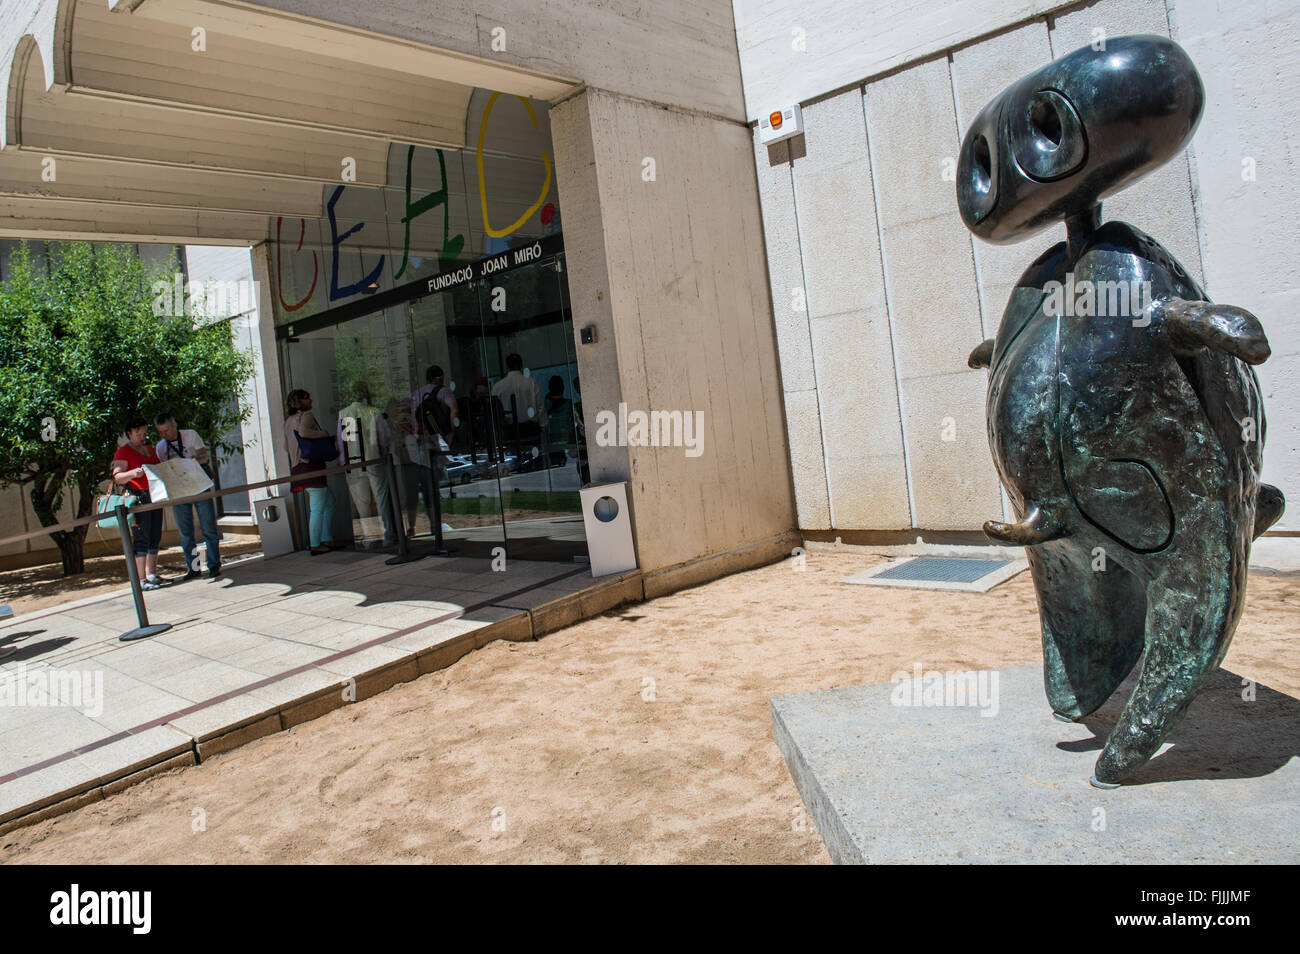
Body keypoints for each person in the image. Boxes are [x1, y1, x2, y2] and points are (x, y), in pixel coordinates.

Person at [154, 412, 221, 580]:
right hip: (179, 491)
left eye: (167, 430)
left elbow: (204, 456)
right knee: (185, 532)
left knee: (208, 527)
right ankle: (193, 567)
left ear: (174, 425)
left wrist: (189, 462)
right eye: (160, 432)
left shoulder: (190, 435)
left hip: (199, 486)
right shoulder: (161, 447)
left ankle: (213, 564)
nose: (164, 435)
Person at [110, 417, 168, 589]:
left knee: (154, 535)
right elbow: (117, 476)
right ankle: (140, 579)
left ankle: (152, 573)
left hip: (154, 495)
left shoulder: (149, 450)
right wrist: (133, 474)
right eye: (138, 433)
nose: (142, 436)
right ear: (129, 433)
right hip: (138, 496)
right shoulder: (124, 452)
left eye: (144, 433)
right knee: (141, 536)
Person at [337, 382, 396, 547]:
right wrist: (383, 454)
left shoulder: (343, 414)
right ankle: (388, 534)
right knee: (381, 499)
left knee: (362, 503)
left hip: (353, 463)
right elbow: (383, 438)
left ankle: (370, 539)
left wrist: (345, 462)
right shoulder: (373, 412)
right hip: (373, 459)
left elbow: (342, 443)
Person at [284, 389, 341, 555]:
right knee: (317, 507)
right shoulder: (306, 415)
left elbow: (285, 446)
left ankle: (326, 538)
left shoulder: (288, 421)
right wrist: (322, 434)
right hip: (310, 466)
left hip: (297, 468)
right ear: (301, 401)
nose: (311, 400)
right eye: (307, 398)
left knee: (328, 502)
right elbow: (303, 433)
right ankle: (316, 544)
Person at [406, 366, 458, 536]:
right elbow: (454, 411)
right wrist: (449, 435)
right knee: (435, 484)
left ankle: (433, 523)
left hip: (418, 443)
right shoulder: (444, 392)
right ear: (440, 377)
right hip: (435, 442)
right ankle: (437, 523)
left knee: (427, 485)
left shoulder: (415, 394)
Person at [492, 353, 544, 435]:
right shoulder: (532, 382)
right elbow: (540, 406)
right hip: (531, 430)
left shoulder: (498, 386)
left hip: (509, 431)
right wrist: (543, 425)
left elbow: (494, 411)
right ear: (521, 365)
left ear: (507, 367)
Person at [545, 375, 573, 467]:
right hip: (567, 443)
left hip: (550, 444)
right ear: (563, 388)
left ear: (549, 388)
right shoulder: (569, 404)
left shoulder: (545, 405)